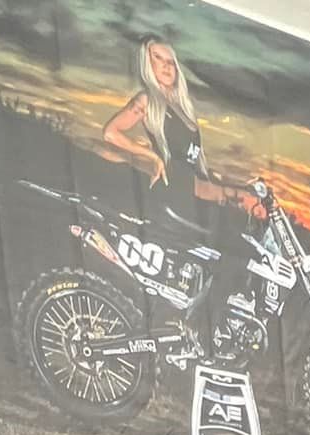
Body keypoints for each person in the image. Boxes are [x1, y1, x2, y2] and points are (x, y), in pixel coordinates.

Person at [101, 36, 260, 349]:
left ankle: (206, 322)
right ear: (147, 66)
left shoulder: (183, 107)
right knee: (235, 252)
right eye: (158, 59)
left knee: (240, 250)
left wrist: (229, 183)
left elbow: (195, 160)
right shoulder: (148, 101)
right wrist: (150, 156)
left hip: (195, 188)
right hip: (177, 192)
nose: (167, 65)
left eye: (170, 59)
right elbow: (110, 132)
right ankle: (202, 330)